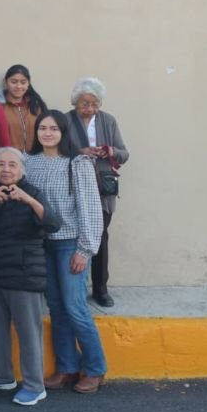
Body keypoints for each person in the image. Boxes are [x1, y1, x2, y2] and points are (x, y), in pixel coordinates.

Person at [26, 110, 107, 395]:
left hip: (70, 244)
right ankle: (67, 367)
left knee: (75, 307)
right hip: (41, 245)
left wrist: (85, 250)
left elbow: (91, 208)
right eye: (42, 128)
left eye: (53, 129)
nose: (47, 133)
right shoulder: (29, 162)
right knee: (56, 308)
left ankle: (95, 369)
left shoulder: (77, 164)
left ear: (63, 133)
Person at [0, 148, 60, 406]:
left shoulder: (33, 192)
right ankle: (2, 376)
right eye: (0, 164)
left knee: (29, 334)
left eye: (12, 165)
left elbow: (53, 223)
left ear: (22, 170)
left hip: (24, 275)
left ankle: (34, 386)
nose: (6, 169)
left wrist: (28, 200)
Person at [67, 77, 130, 308]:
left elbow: (124, 153)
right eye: (85, 103)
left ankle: (101, 288)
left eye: (95, 104)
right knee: (72, 238)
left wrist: (110, 150)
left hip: (102, 189)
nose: (90, 109)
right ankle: (73, 287)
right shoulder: (65, 120)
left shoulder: (108, 121)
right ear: (76, 102)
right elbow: (56, 150)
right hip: (74, 187)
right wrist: (81, 151)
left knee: (100, 237)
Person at [0, 64, 47, 153]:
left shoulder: (36, 105)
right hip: (9, 157)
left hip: (35, 156)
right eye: (14, 82)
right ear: (5, 82)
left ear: (28, 83)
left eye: (23, 82)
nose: (18, 86)